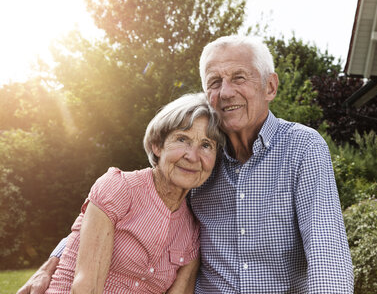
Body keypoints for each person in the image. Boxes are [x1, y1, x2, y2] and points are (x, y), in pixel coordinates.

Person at [18, 35, 354, 293]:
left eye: (239, 77)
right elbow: (116, 202)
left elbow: (327, 249)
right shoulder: (198, 161)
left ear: (269, 86)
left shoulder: (302, 148)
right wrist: (53, 262)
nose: (226, 92)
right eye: (214, 82)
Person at [31, 93, 224, 294]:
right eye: (182, 139)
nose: (193, 156)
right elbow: (87, 288)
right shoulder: (119, 188)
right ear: (157, 145)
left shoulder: (191, 233)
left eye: (206, 145)